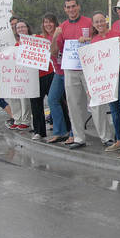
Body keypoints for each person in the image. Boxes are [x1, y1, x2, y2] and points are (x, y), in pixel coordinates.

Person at [51, 0, 113, 149]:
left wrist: (88, 40)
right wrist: (54, 36)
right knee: (73, 104)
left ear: (78, 7)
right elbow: (54, 51)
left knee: (97, 102)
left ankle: (106, 137)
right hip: (70, 69)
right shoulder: (62, 27)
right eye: (68, 7)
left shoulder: (88, 22)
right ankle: (79, 137)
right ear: (65, 9)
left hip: (90, 68)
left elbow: (101, 36)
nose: (71, 9)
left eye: (73, 6)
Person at [89, 12, 120, 159]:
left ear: (106, 22)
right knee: (114, 111)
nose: (100, 24)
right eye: (97, 22)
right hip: (107, 79)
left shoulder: (117, 34)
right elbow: (93, 66)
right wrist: (93, 85)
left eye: (102, 21)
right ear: (94, 25)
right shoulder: (94, 41)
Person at [41, 13, 72, 144]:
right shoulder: (44, 37)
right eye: (45, 22)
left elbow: (54, 51)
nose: (48, 24)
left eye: (50, 22)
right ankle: (60, 131)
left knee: (72, 103)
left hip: (68, 71)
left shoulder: (61, 34)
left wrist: (54, 37)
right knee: (52, 99)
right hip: (58, 73)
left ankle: (73, 133)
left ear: (55, 22)